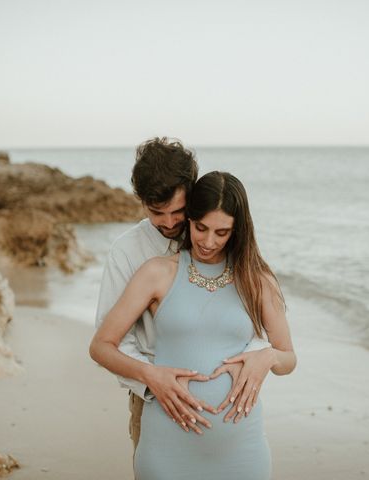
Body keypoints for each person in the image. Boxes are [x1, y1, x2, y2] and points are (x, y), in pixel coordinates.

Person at [91, 171, 296, 479]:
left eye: (222, 232)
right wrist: (151, 375)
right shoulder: (157, 273)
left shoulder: (257, 280)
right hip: (167, 445)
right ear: (189, 219)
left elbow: (287, 359)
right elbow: (100, 346)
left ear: (237, 230)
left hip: (241, 449)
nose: (208, 241)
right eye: (201, 228)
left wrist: (267, 357)